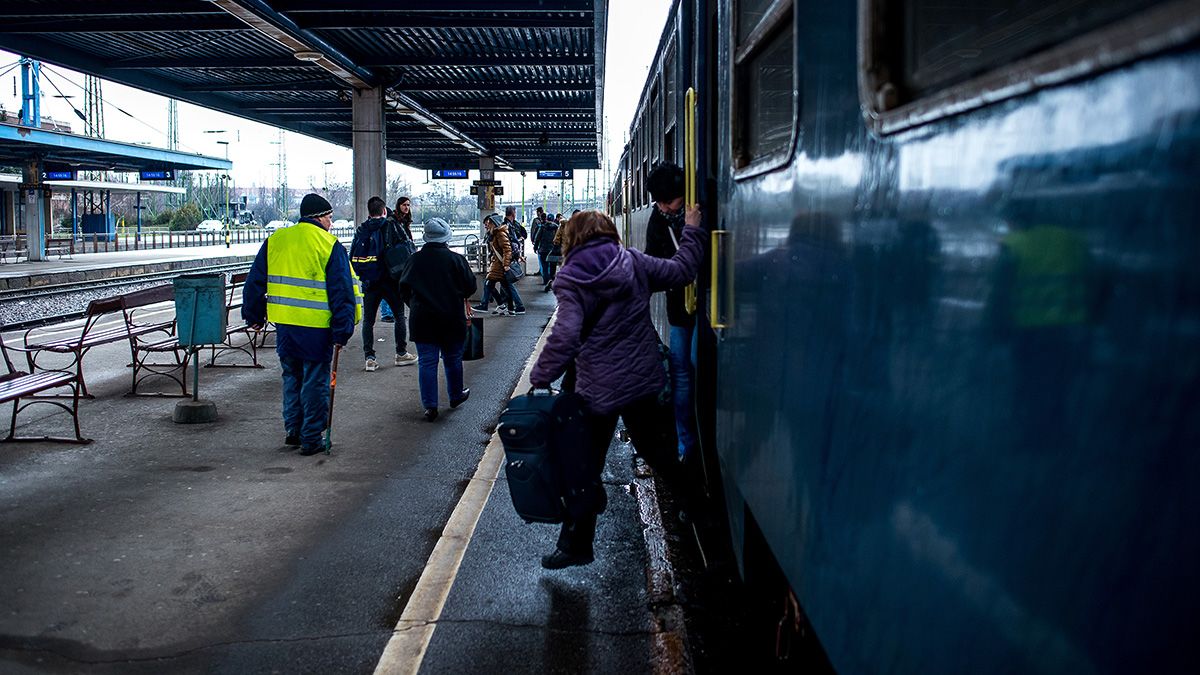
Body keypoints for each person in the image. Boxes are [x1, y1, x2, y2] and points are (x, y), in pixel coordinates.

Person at [529, 207, 704, 569]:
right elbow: (682, 270)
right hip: (642, 381)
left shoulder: (571, 277)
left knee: (584, 465)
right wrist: (691, 230)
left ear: (573, 239)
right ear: (610, 232)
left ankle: (576, 546)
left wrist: (541, 375)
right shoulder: (633, 262)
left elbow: (566, 335)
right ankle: (704, 510)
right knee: (662, 456)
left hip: (597, 390)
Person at [243, 193, 362, 456]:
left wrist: (253, 316)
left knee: (291, 377)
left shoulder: (276, 240)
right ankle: (311, 438)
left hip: (285, 326)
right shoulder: (328, 244)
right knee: (315, 381)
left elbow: (254, 281)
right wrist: (343, 330)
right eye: (330, 218)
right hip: (317, 327)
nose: (331, 223)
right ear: (319, 217)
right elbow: (341, 292)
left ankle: (293, 431)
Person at [644, 162, 699, 462]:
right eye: (660, 203)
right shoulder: (659, 220)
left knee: (692, 364)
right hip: (680, 309)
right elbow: (658, 267)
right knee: (681, 372)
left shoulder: (701, 206)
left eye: (670, 201)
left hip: (706, 303)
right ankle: (685, 446)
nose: (665, 208)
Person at [398, 218, 477, 422]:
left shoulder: (414, 260)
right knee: (452, 359)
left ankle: (430, 407)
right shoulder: (456, 260)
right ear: (446, 237)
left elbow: (403, 289)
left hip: (422, 319)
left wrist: (415, 305)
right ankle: (456, 395)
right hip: (451, 318)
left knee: (427, 362)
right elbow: (470, 287)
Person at [350, 196, 417, 371]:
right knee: (399, 316)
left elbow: (352, 256)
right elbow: (408, 248)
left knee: (368, 321)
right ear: (384, 211)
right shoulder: (392, 225)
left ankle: (369, 358)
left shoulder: (361, 229)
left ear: (369, 212)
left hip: (370, 282)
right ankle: (401, 353)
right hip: (391, 281)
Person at [535, 210, 561, 292]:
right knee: (552, 267)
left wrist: (535, 247)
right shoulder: (556, 228)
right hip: (553, 250)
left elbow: (537, 238)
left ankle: (546, 281)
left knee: (544, 267)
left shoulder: (542, 227)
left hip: (543, 250)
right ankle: (551, 280)